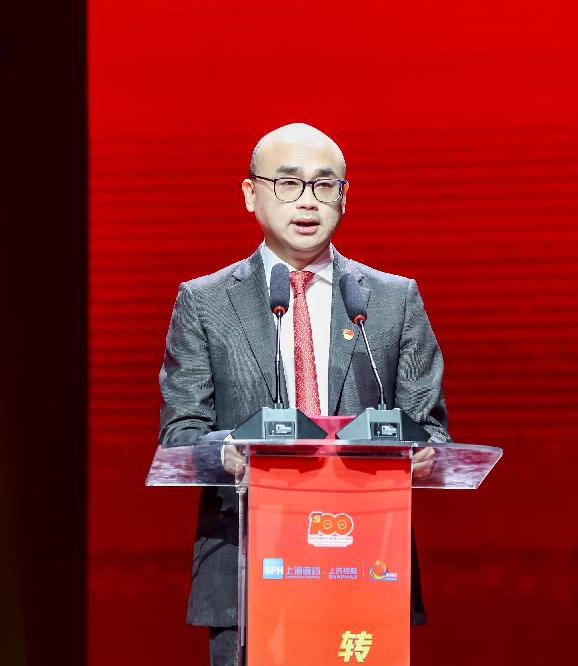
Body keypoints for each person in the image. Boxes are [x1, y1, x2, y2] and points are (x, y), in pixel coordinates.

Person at [158, 123, 451, 665]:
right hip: (248, 568)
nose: (308, 201)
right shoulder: (204, 302)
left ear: (345, 197)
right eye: (288, 183)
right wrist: (228, 452)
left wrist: (423, 454)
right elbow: (180, 438)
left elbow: (431, 432)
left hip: (366, 565)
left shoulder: (392, 300)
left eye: (324, 184)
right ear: (251, 194)